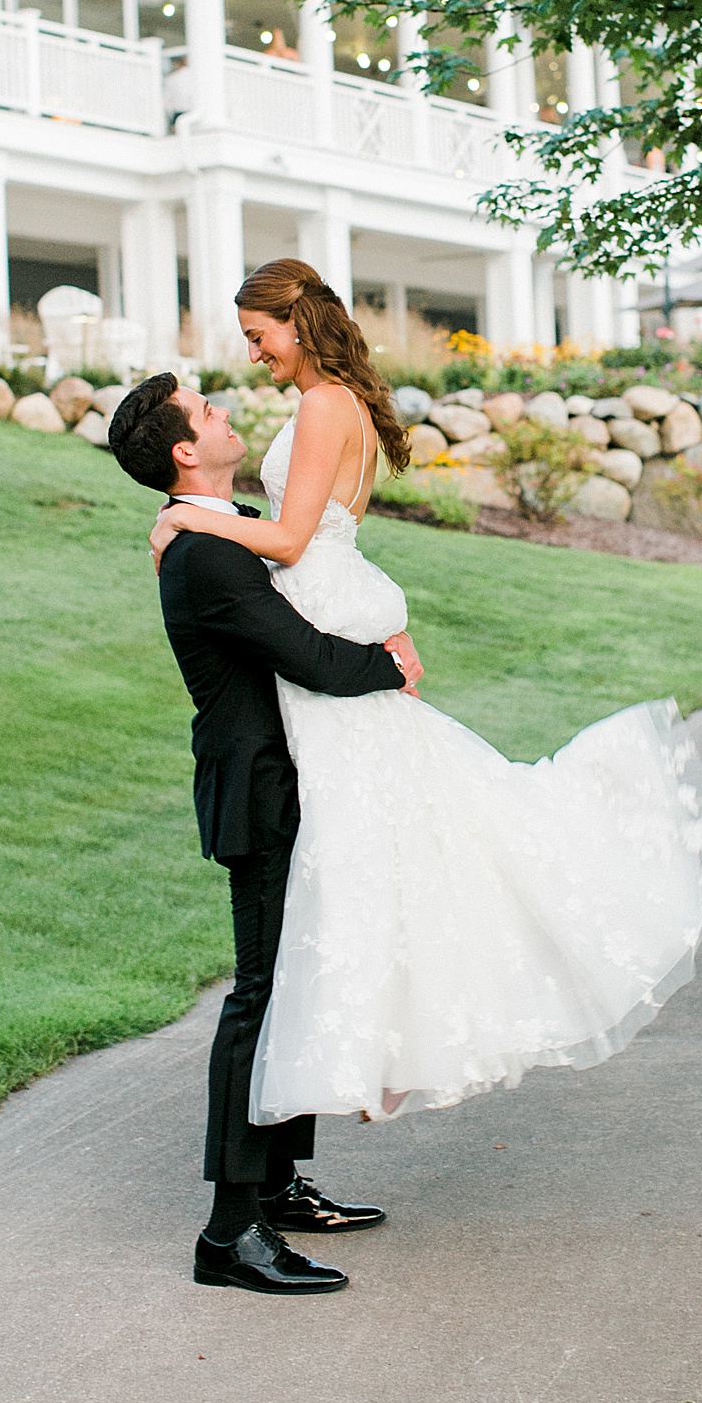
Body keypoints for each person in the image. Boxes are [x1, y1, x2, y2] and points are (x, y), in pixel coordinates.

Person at [147, 258, 702, 1140]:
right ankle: (364, 1066)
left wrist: (193, 515)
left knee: (361, 860)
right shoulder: (339, 402)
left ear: (294, 324)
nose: (254, 358)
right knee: (374, 859)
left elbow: (296, 540)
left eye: (258, 338)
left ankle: (366, 1063)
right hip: (334, 618)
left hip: (324, 622)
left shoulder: (320, 406)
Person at [108, 373, 424, 1295]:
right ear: (182, 450)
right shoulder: (205, 555)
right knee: (259, 996)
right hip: (261, 792)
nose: (222, 410)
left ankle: (279, 1186)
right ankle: (229, 1234)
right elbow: (305, 655)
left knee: (288, 986)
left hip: (292, 781)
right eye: (204, 409)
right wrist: (390, 664)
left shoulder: (216, 527)